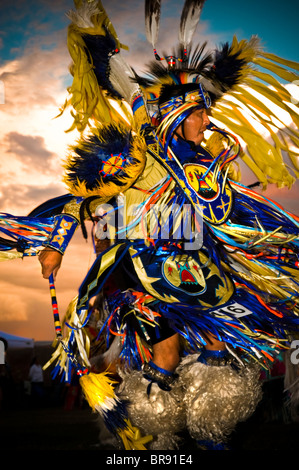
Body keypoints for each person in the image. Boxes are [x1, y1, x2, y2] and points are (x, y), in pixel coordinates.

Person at [1, 0, 299, 450]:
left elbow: (230, 217)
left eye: (206, 112)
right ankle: (151, 440)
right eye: (198, 113)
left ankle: (210, 433)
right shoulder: (137, 157)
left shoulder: (206, 165)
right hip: (145, 273)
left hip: (203, 272)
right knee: (166, 353)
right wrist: (54, 247)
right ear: (177, 115)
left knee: (218, 349)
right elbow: (82, 200)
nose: (207, 121)